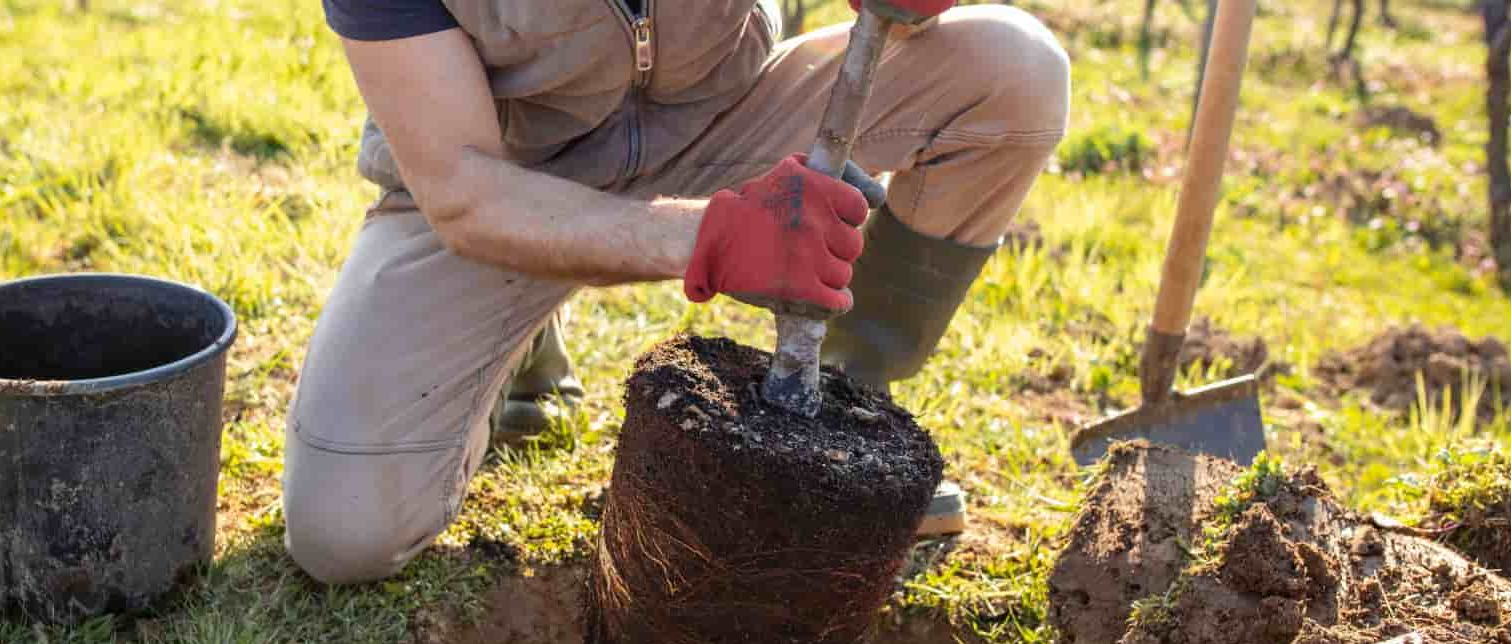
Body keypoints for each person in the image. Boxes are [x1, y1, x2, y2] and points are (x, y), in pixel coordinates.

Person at [286, 0, 1070, 583]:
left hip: (722, 119)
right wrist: (711, 238)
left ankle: (836, 424)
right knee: (346, 533)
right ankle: (514, 336)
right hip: (504, 183)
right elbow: (462, 189)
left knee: (1012, 69)